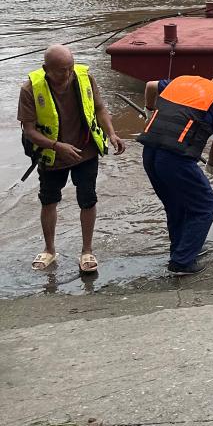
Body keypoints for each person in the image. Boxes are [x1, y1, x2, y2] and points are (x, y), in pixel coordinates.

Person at [18, 44, 126, 275]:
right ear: (46, 68)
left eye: (70, 68)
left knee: (87, 199)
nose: (67, 75)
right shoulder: (31, 88)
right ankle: (49, 250)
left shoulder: (85, 77)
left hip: (85, 151)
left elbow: (99, 108)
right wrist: (57, 146)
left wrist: (112, 133)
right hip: (52, 155)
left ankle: (87, 250)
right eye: (60, 70)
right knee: (48, 200)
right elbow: (29, 130)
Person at [139, 62, 213, 274]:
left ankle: (182, 250)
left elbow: (150, 86)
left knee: (176, 204)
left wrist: (149, 110)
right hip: (175, 160)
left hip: (149, 154)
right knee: (206, 205)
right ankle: (183, 262)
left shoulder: (181, 81)